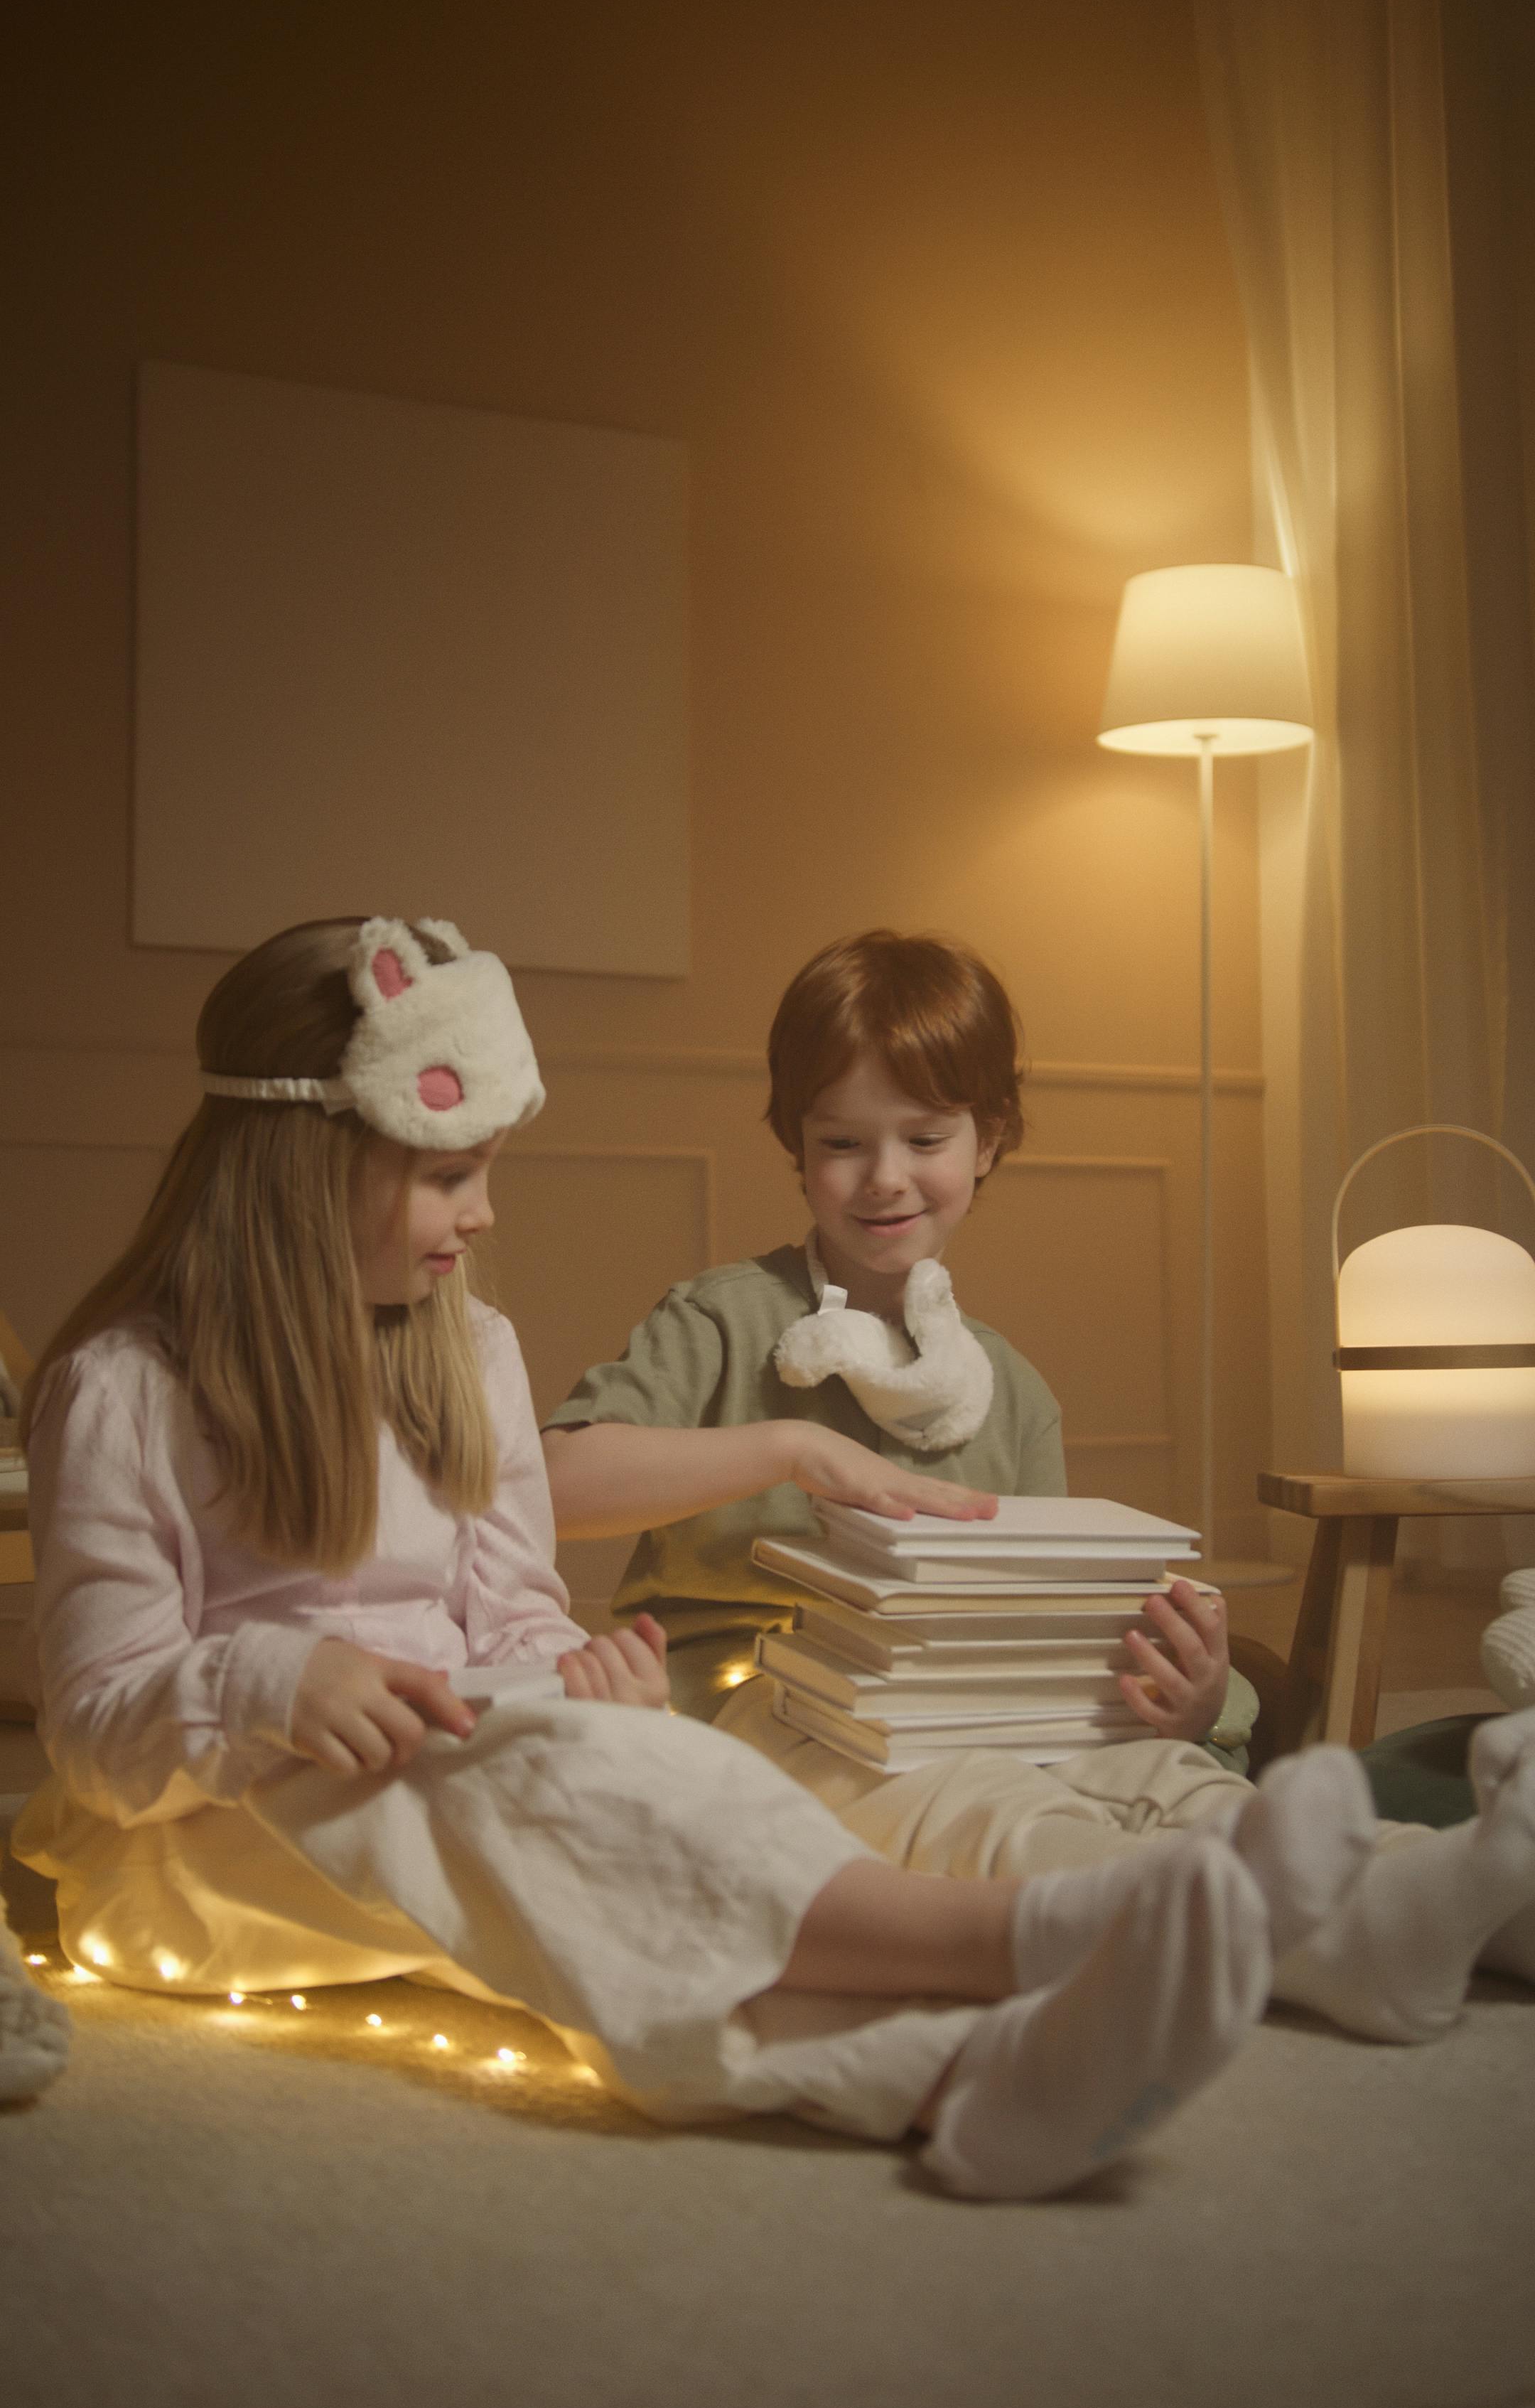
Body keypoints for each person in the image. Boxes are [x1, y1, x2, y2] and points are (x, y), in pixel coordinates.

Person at [11, 920, 1534, 2207]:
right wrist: (283, 1674)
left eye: (483, 1172)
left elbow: (517, 1602)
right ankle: (1052, 1941)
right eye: (445, 1175)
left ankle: (974, 2076)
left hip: (481, 1763)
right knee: (615, 1823)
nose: (484, 1215)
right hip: (198, 1853)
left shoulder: (461, 1352)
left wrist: (573, 1668)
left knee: (632, 1895)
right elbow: (92, 1725)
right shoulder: (125, 1392)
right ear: (295, 1166)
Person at [542, 930, 1535, 2020]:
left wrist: (1186, 1696)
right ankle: (1318, 1944)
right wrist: (790, 1448)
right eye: (842, 1143)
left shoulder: (1009, 1389)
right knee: (990, 1814)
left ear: (989, 1140)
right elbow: (552, 1482)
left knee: (1169, 1783)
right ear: (796, 1145)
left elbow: (1070, 1638)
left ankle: (1451, 1895)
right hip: (763, 1714)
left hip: (997, 1712)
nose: (884, 1179)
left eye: (925, 1137)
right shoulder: (724, 1320)